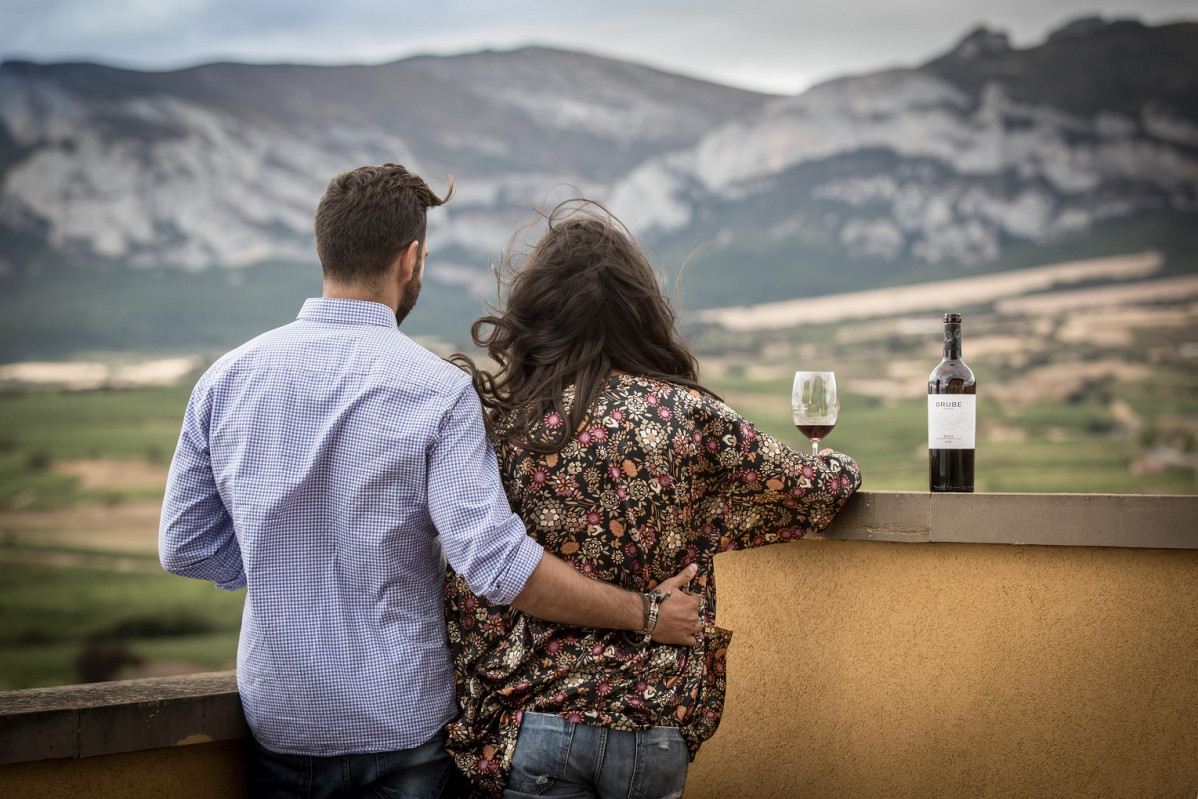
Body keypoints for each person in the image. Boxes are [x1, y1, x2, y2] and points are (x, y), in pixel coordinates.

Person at [158, 165, 701, 799]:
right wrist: (645, 612)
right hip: (403, 724)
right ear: (410, 259)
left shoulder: (226, 380)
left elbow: (185, 547)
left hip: (281, 718)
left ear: (324, 250)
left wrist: (294, 571)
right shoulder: (437, 392)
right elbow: (497, 566)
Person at [445, 199, 863, 799]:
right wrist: (837, 463)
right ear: (640, 311)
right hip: (654, 730)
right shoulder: (687, 415)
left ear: (538, 312)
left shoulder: (506, 425)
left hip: (533, 721)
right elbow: (816, 493)